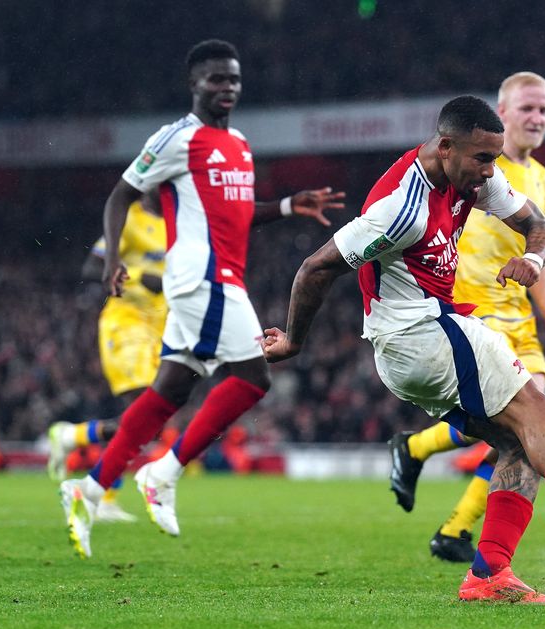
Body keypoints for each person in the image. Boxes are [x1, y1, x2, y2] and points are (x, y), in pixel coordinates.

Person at [263, 95, 545, 603]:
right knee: (535, 407)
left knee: (519, 444)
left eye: (494, 158)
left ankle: (489, 573)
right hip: (419, 335)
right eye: (482, 158)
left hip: (426, 337)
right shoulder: (402, 207)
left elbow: (541, 228)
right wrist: (294, 340)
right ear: (446, 147)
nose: (491, 170)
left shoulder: (473, 177)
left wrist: (533, 261)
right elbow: (316, 267)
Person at [59, 39, 345, 559]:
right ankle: (163, 474)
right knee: (254, 375)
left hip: (220, 279)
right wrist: (110, 262)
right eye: (216, 79)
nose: (227, 88)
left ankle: (90, 487)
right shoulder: (176, 138)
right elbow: (121, 193)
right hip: (203, 278)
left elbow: (236, 213)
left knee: (168, 392)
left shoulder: (238, 142)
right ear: (194, 84)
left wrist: (286, 204)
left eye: (234, 79)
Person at [386, 72, 545, 563]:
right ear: (503, 111)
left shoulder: (543, 180)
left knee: (523, 427)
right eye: (527, 109)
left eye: (544, 111)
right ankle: (459, 529)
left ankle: (420, 459)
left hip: (520, 316)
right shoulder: (476, 169)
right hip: (474, 307)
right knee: (522, 421)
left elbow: (536, 246)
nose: (536, 119)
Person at [47, 190, 167, 523]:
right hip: (125, 322)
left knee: (150, 423)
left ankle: (73, 437)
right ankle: (100, 497)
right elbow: (91, 266)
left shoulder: (178, 224)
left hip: (162, 328)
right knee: (142, 410)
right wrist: (142, 277)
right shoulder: (128, 220)